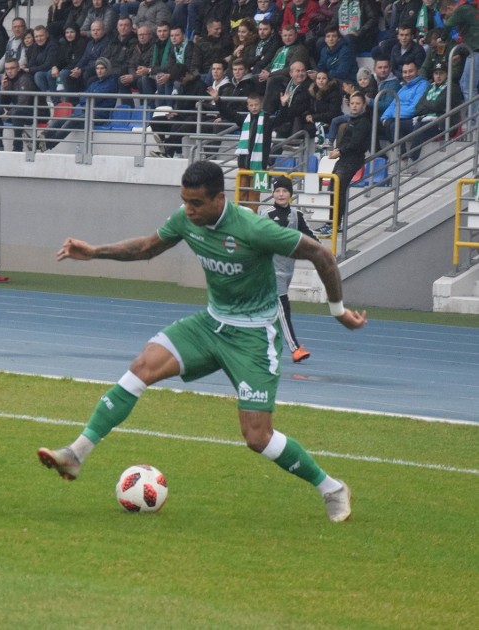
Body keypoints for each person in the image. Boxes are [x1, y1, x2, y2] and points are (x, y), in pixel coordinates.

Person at [38, 160, 366, 523]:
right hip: (210, 325)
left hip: (254, 336)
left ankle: (332, 488)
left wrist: (337, 310)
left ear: (218, 199)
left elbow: (321, 254)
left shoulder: (253, 228)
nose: (188, 210)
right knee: (141, 367)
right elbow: (147, 247)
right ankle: (76, 454)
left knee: (258, 437)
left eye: (195, 203)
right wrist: (95, 251)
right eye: (184, 201)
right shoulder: (186, 219)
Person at [260, 175, 316, 363]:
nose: (281, 194)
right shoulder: (266, 214)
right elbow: (256, 236)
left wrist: (322, 252)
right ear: (273, 194)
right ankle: (295, 348)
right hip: (270, 270)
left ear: (290, 194)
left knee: (265, 312)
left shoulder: (296, 215)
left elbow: (309, 236)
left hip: (287, 270)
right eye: (277, 191)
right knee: (284, 308)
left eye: (284, 191)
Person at [317, 91, 371, 237]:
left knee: (338, 189)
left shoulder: (364, 122)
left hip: (352, 160)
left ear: (363, 105)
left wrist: (339, 151)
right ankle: (331, 223)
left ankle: (334, 224)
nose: (354, 106)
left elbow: (356, 143)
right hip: (344, 158)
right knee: (333, 188)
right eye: (352, 103)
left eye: (358, 103)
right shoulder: (351, 120)